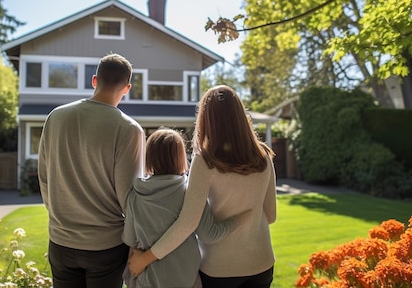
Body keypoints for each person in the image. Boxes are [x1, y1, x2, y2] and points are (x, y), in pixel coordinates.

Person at [129, 85, 277, 288]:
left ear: (207, 119)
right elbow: (270, 216)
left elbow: (188, 223)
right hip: (262, 262)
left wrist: (145, 258)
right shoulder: (264, 156)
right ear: (240, 115)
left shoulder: (205, 160)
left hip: (219, 269)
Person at [38, 52, 145, 288]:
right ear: (126, 88)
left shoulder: (55, 117)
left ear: (94, 80)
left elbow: (44, 178)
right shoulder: (129, 129)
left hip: (60, 240)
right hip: (106, 246)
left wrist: (58, 216)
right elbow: (128, 195)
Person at [122, 128, 246, 288]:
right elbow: (208, 234)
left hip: (149, 280)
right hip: (186, 279)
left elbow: (130, 239)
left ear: (149, 156)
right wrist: (239, 221)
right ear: (180, 157)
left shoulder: (135, 195)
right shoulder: (190, 192)